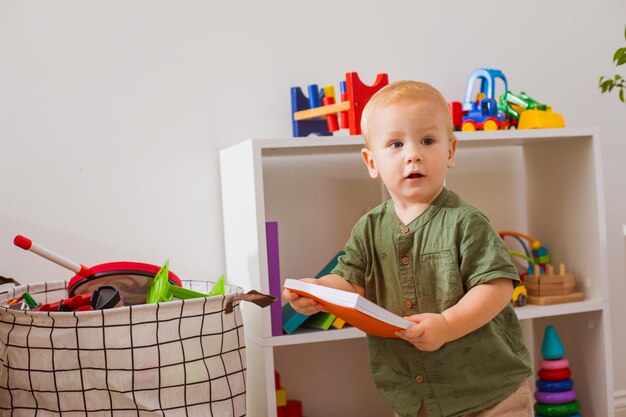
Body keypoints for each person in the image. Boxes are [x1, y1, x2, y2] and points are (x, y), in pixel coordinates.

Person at [282, 81, 533, 417]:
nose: (413, 153)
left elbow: (497, 288)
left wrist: (447, 324)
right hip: (414, 397)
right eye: (396, 144)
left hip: (488, 395)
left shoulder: (466, 221)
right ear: (372, 163)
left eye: (427, 140)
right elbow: (351, 281)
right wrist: (319, 291)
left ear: (450, 151)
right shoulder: (368, 227)